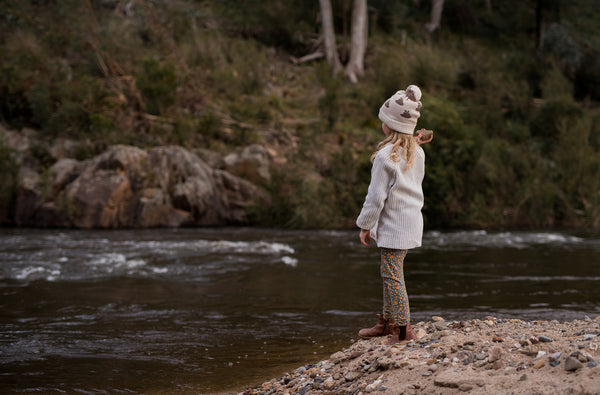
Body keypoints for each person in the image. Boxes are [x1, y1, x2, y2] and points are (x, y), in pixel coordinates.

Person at [356, 84, 432, 345]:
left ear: (389, 125)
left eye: (383, 121)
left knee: (392, 275)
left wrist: (365, 225)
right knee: (390, 270)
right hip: (410, 222)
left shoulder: (385, 156)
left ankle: (402, 330)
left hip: (394, 225)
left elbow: (376, 197)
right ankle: (388, 322)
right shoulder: (416, 152)